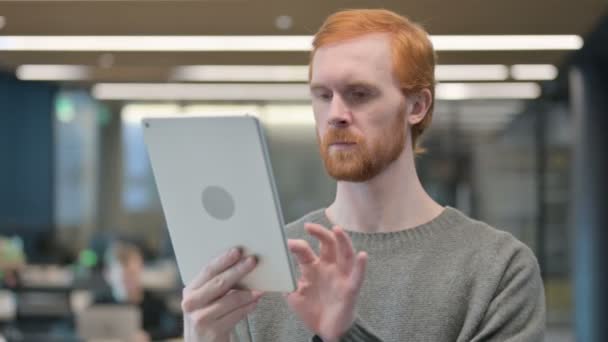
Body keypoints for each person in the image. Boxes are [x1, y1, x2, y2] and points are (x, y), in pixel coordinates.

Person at [181, 8, 546, 342]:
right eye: (323, 95)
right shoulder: (264, 268)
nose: (336, 114)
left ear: (416, 106)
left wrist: (345, 335)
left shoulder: (497, 269)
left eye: (359, 94)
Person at [97, 240, 174, 341]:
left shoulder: (155, 305)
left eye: (132, 274)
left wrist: (149, 335)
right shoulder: (98, 305)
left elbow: (173, 328)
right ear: (108, 275)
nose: (128, 281)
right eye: (123, 277)